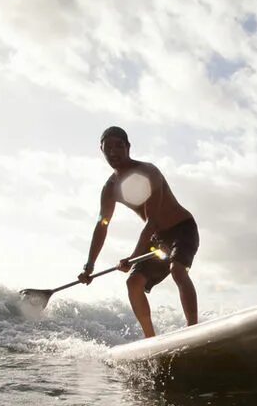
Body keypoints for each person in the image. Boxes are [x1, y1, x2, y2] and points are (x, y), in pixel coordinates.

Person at [78, 126, 199, 338]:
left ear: (128, 147)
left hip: (182, 229)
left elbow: (152, 221)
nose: (114, 152)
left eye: (119, 146)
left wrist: (133, 257)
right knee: (133, 283)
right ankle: (151, 341)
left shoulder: (148, 172)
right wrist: (89, 266)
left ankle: (194, 329)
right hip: (158, 238)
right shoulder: (110, 188)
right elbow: (102, 225)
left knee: (178, 270)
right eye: (108, 148)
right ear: (101, 150)